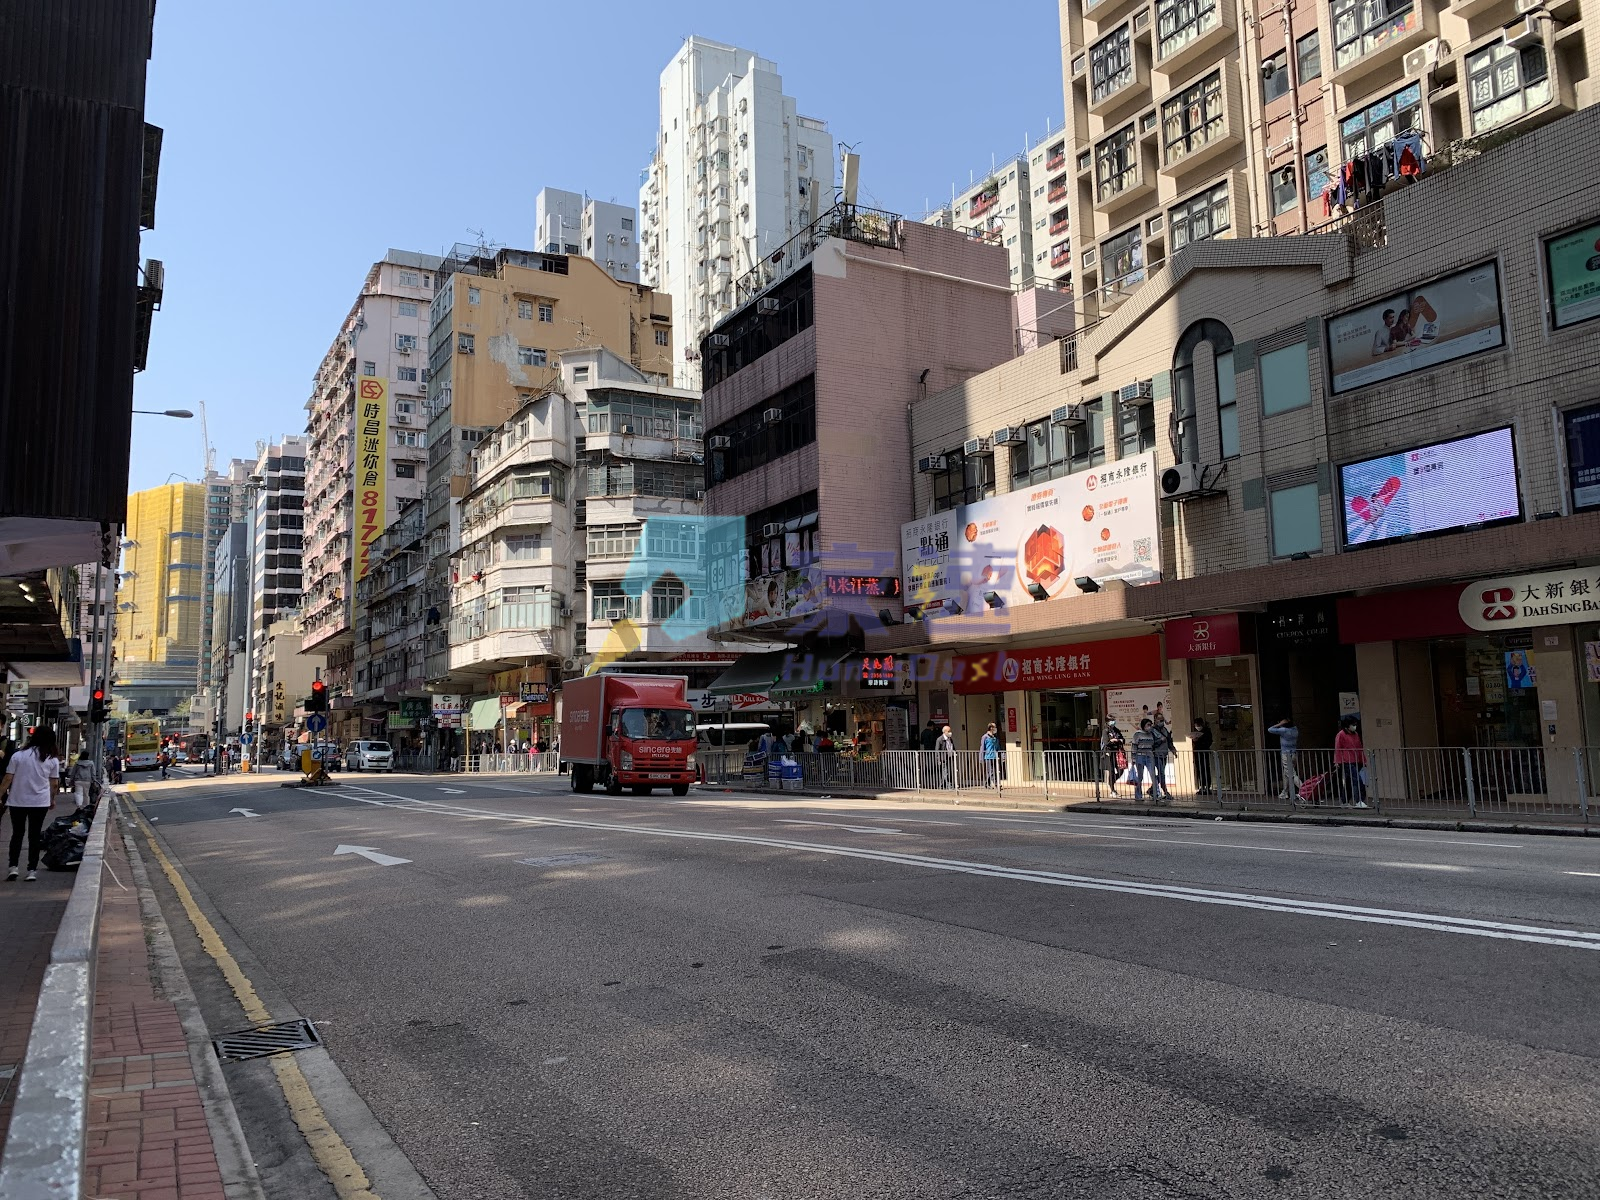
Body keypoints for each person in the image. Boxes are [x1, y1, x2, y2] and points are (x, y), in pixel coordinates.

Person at [1, 728, 61, 882]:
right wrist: (52, 799)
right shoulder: (52, 759)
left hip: (17, 801)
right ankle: (31, 870)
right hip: (40, 802)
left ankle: (13, 867)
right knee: (34, 835)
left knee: (17, 834)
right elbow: (54, 783)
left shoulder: (18, 756)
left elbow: (8, 778)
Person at [1334, 717, 1368, 808]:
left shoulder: (1355, 734)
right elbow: (1338, 748)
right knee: (1357, 780)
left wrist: (1363, 760)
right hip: (1347, 761)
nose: (1355, 726)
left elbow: (1359, 747)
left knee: (1349, 781)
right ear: (1347, 726)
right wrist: (1337, 761)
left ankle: (1345, 801)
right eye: (1353, 724)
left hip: (1356, 760)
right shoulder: (1341, 734)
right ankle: (1359, 800)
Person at [1268, 716, 1302, 802]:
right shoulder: (1295, 730)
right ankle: (1285, 792)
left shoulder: (1283, 730)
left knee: (1291, 774)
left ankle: (1304, 789)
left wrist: (1279, 724)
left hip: (1286, 754)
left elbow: (1270, 729)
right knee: (1286, 773)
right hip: (1294, 754)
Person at [1130, 719, 1158, 803]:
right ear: (1143, 725)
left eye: (1150, 725)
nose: (1150, 727)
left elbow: (1155, 743)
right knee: (1140, 776)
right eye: (1148, 725)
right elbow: (1134, 746)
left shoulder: (1151, 734)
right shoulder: (1137, 734)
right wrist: (1133, 758)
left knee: (1153, 775)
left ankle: (1156, 793)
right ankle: (1138, 795)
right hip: (1140, 756)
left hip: (1149, 756)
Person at [1100, 719, 1126, 797]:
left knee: (1121, 770)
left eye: (1114, 720)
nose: (1113, 722)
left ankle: (1111, 782)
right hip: (1109, 753)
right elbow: (1106, 743)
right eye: (1111, 721)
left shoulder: (1116, 730)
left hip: (1117, 753)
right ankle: (1112, 790)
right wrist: (1112, 741)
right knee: (1111, 771)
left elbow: (1122, 739)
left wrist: (1118, 740)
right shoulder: (1105, 731)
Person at [1149, 718, 1173, 801]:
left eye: (1162, 719)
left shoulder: (1165, 730)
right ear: (1155, 721)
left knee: (1161, 774)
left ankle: (1152, 789)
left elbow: (1169, 740)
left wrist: (1173, 749)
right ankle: (1165, 792)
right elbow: (1152, 743)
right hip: (1156, 755)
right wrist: (1160, 740)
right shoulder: (1152, 731)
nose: (1162, 722)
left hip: (1164, 754)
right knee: (1161, 773)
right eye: (1160, 720)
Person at [1191, 717, 1215, 795]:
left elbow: (1208, 742)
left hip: (1204, 753)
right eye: (1196, 725)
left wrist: (1200, 740)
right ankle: (1202, 786)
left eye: (1198, 725)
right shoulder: (1196, 732)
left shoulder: (1207, 732)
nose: (1197, 726)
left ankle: (1207, 786)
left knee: (1205, 769)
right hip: (1197, 754)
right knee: (1199, 770)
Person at [980, 723, 1001, 790]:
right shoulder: (985, 737)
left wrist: (1001, 754)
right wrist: (981, 758)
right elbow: (982, 747)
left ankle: (987, 783)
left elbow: (998, 746)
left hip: (995, 756)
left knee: (995, 770)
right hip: (988, 756)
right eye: (994, 727)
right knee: (991, 771)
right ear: (991, 728)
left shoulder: (995, 737)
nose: (995, 729)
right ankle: (996, 784)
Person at [936, 724, 957, 788]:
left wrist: (954, 754)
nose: (950, 732)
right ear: (945, 732)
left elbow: (952, 747)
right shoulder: (940, 739)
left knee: (947, 771)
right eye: (948, 731)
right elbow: (937, 750)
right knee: (946, 772)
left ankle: (942, 785)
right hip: (943, 759)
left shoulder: (950, 739)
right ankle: (949, 785)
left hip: (949, 757)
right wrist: (939, 759)